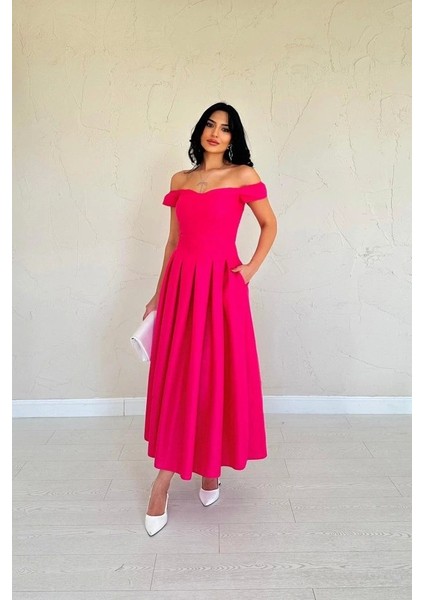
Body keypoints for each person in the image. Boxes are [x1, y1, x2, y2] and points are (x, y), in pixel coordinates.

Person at [142, 102, 278, 536]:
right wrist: (158, 294)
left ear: (233, 137)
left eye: (225, 128)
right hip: (182, 285)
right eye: (210, 124)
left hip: (222, 286)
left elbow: (269, 225)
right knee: (181, 376)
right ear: (200, 130)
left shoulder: (243, 176)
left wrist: (249, 270)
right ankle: (163, 482)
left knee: (215, 375)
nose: (216, 133)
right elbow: (172, 242)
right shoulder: (180, 181)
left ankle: (210, 469)